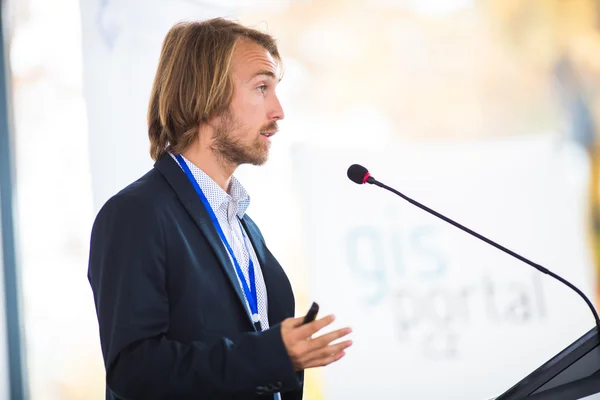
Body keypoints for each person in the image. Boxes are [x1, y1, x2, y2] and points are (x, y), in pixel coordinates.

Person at [87, 17, 353, 400]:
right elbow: (134, 371)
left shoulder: (245, 227)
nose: (278, 111)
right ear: (205, 96)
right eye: (261, 88)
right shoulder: (136, 214)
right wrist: (271, 353)